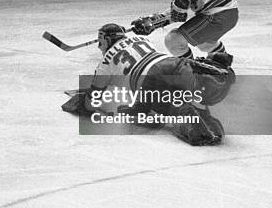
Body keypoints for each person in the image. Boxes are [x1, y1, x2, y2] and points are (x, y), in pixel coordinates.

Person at [62, 24, 231, 146]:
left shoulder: (105, 63)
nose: (99, 46)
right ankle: (213, 82)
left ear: (106, 40)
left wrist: (82, 103)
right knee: (191, 91)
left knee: (173, 106)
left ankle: (195, 125)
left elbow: (94, 99)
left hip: (150, 80)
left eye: (100, 41)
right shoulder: (140, 39)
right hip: (173, 63)